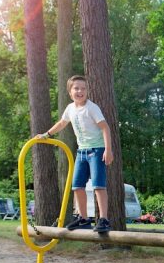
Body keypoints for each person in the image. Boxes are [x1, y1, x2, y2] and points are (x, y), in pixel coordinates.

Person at [36, 75, 113, 233]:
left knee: (98, 185)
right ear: (70, 92)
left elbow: (105, 128)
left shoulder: (92, 108)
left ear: (87, 91)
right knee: (77, 186)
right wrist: (46, 134)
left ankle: (104, 219)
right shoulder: (70, 108)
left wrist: (108, 150)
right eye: (76, 88)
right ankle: (84, 219)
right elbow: (62, 123)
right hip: (81, 152)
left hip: (97, 150)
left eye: (83, 88)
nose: (80, 91)